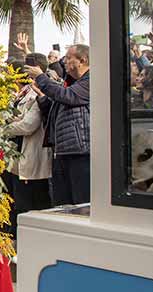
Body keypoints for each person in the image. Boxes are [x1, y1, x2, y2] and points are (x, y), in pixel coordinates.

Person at [26, 44, 91, 206]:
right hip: (63, 150)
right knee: (63, 203)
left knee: (80, 203)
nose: (64, 62)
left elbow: (68, 97)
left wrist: (42, 78)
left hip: (80, 151)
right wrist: (42, 96)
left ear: (82, 60)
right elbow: (55, 108)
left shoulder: (91, 80)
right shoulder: (71, 83)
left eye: (69, 58)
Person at [5, 54, 53, 236]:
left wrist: (3, 128)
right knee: (18, 204)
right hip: (17, 161)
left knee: (31, 207)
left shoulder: (40, 92)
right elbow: (15, 117)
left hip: (32, 159)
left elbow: (28, 125)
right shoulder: (24, 92)